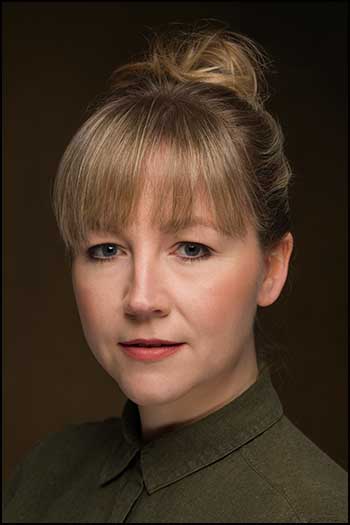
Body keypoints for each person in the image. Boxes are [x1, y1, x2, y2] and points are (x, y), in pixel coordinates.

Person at [3, 23, 347, 523]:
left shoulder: (315, 511)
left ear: (272, 267)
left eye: (191, 248)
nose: (141, 299)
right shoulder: (46, 472)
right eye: (105, 249)